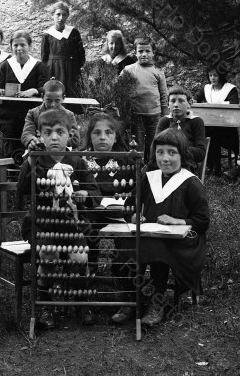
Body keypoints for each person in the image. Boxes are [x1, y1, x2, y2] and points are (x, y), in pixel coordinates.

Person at [110, 128, 209, 326]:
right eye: (160, 152)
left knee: (158, 251)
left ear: (182, 154)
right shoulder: (148, 177)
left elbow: (203, 221)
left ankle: (157, 301)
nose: (165, 158)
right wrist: (133, 214)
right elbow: (130, 204)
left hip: (179, 241)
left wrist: (178, 221)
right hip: (149, 234)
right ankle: (131, 298)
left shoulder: (190, 182)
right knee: (124, 247)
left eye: (172, 153)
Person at [17, 109, 101, 328]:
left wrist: (86, 195)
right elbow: (22, 188)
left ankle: (82, 304)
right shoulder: (36, 159)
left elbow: (95, 192)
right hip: (41, 224)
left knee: (80, 257)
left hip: (72, 226)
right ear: (39, 135)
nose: (54, 137)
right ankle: (45, 305)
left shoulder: (78, 162)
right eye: (48, 132)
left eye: (59, 132)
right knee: (48, 253)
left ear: (70, 134)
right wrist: (29, 160)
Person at [79, 111, 131, 263]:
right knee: (85, 226)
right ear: (90, 137)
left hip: (117, 211)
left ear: (115, 138)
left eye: (108, 133)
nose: (103, 137)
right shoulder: (80, 160)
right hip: (88, 211)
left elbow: (134, 189)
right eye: (97, 133)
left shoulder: (124, 161)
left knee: (128, 230)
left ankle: (121, 267)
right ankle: (90, 264)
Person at [0, 30, 51, 160]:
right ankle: (11, 164)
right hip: (9, 112)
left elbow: (46, 87)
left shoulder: (38, 66)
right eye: (15, 45)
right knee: (11, 130)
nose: (19, 48)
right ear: (11, 47)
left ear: (29, 46)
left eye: (23, 45)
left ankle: (31, 164)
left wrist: (34, 91)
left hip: (33, 112)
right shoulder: (5, 66)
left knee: (31, 131)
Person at [119, 37, 169, 161]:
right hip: (136, 114)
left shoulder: (158, 72)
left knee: (154, 143)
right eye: (140, 51)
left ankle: (151, 167)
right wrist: (124, 111)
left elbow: (163, 95)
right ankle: (138, 169)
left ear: (153, 53)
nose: (144, 54)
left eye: (147, 51)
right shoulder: (128, 70)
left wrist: (165, 115)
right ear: (135, 53)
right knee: (138, 143)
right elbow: (119, 90)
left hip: (155, 114)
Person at [194, 69, 240, 175]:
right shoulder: (207, 88)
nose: (212, 78)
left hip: (227, 128)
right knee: (206, 132)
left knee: (212, 133)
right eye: (210, 75)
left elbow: (234, 104)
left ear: (221, 76)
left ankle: (216, 165)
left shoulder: (230, 89)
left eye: (215, 75)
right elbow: (195, 98)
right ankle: (212, 164)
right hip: (211, 126)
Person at [154, 86, 207, 173]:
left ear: (189, 103)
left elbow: (200, 152)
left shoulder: (196, 121)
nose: (176, 105)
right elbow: (155, 147)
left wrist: (177, 151)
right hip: (164, 163)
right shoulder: (164, 121)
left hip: (186, 165)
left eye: (181, 101)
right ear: (168, 104)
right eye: (173, 101)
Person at [40, 2, 86, 99]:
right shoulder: (47, 35)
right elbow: (44, 57)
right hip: (53, 69)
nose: (61, 18)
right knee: (54, 94)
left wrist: (74, 68)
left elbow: (81, 54)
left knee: (71, 94)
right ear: (53, 15)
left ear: (67, 16)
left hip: (71, 70)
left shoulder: (73, 32)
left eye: (64, 15)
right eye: (58, 14)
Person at [21, 79, 80, 151]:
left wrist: (51, 142)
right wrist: (33, 141)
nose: (52, 104)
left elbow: (75, 139)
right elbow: (26, 135)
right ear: (42, 97)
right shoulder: (33, 114)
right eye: (49, 100)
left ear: (63, 98)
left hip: (63, 155)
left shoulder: (69, 115)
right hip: (39, 154)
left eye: (57, 100)